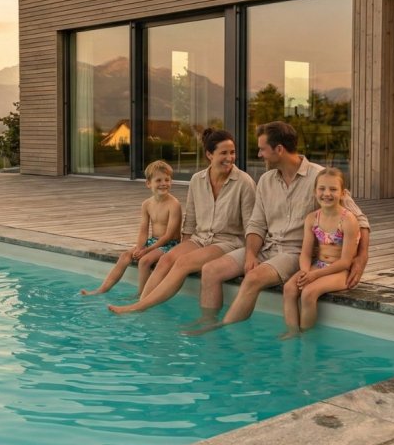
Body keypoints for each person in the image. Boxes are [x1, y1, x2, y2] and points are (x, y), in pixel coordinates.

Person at [196, 121, 370, 329]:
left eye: (262, 149)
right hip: (265, 248)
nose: (259, 155)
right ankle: (207, 320)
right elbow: (256, 224)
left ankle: (222, 329)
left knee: (252, 279)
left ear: (279, 150)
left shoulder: (320, 177)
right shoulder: (266, 180)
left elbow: (359, 218)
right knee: (210, 270)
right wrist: (251, 254)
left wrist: (360, 258)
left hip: (295, 253)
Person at [108, 128, 255, 314]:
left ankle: (138, 307)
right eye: (223, 153)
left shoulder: (244, 182)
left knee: (183, 263)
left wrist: (251, 255)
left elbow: (252, 224)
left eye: (232, 152)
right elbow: (191, 218)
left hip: (228, 242)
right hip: (199, 238)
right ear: (210, 154)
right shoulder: (197, 180)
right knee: (167, 259)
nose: (230, 157)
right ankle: (143, 302)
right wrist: (182, 247)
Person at [82, 160, 182, 296]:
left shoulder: (174, 204)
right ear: (148, 184)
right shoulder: (146, 204)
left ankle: (141, 295)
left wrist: (147, 250)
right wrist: (140, 248)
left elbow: (169, 235)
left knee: (144, 261)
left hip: (170, 245)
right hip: (154, 242)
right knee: (125, 256)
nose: (164, 183)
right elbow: (143, 230)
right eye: (158, 180)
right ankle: (102, 289)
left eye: (167, 180)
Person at [283, 168, 360, 333]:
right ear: (314, 191)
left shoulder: (348, 220)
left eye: (333, 189)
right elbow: (305, 253)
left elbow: (346, 261)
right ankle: (292, 331)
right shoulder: (312, 219)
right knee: (289, 288)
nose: (327, 193)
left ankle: (306, 337)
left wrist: (314, 275)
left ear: (343, 193)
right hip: (317, 265)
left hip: (340, 271)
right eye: (322, 189)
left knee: (308, 293)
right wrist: (305, 271)